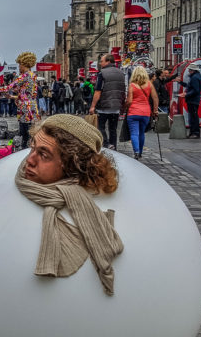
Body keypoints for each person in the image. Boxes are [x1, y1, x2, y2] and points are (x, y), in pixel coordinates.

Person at [17, 114, 123, 295]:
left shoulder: (84, 195)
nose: (30, 160)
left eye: (43, 154)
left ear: (72, 164)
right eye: (32, 147)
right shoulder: (22, 177)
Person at [0, 52, 39, 149]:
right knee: (29, 132)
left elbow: (10, 87)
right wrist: (12, 97)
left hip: (25, 109)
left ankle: (25, 153)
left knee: (25, 133)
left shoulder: (25, 76)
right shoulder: (33, 76)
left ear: (25, 64)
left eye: (20, 64)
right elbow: (30, 95)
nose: (19, 67)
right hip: (31, 107)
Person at [88, 54, 126, 150]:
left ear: (108, 61)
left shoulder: (102, 73)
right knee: (113, 128)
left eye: (102, 61)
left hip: (104, 106)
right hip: (116, 106)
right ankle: (113, 146)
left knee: (100, 127)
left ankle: (106, 144)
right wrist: (122, 105)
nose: (100, 63)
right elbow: (123, 90)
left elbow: (98, 91)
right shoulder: (121, 73)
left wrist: (93, 106)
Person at [124, 66, 159, 160]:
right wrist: (155, 110)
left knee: (134, 133)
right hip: (145, 112)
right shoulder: (149, 84)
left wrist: (125, 107)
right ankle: (140, 152)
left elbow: (130, 101)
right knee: (141, 133)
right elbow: (155, 98)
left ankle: (136, 151)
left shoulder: (132, 85)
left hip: (133, 112)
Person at [180, 62, 201, 139]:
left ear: (193, 70)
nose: (189, 71)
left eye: (189, 70)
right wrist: (181, 83)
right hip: (193, 100)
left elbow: (195, 90)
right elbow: (190, 87)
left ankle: (195, 133)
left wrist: (186, 94)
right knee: (193, 116)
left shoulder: (194, 78)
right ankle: (193, 132)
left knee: (193, 117)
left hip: (193, 100)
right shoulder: (197, 76)